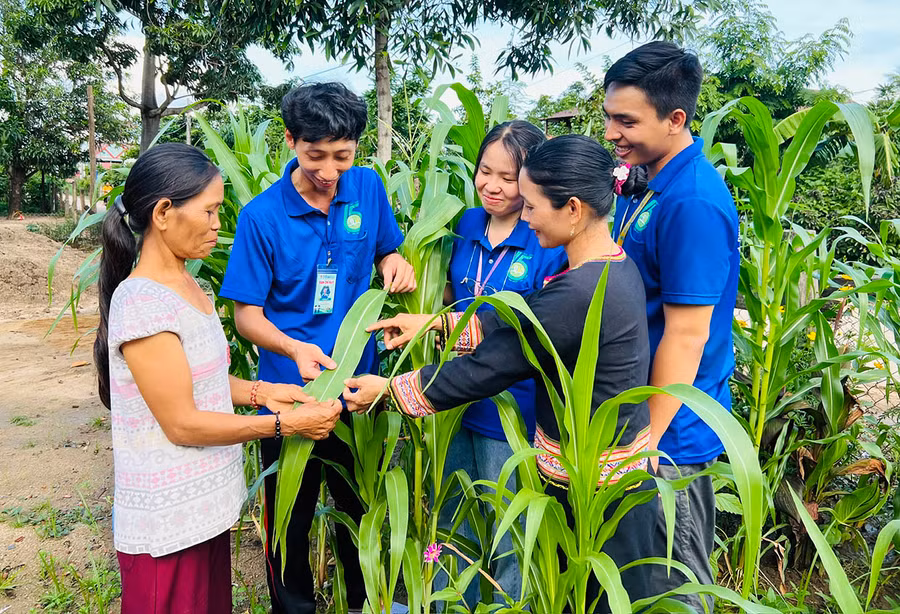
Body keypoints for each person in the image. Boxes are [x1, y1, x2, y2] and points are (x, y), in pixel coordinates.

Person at [343, 135, 656, 611]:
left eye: (530, 206)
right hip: (610, 477)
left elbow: (493, 365)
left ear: (572, 209)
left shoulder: (578, 293)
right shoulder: (609, 267)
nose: (524, 217)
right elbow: (521, 315)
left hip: (592, 492)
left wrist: (389, 390)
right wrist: (432, 322)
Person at [94, 143, 343, 614]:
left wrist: (262, 392)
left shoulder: (191, 285)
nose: (216, 225)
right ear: (164, 213)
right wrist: (282, 425)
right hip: (167, 522)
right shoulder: (143, 303)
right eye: (209, 212)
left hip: (204, 508)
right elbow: (183, 423)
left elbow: (199, 378)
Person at [218, 82, 416, 614]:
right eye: (315, 156)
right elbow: (246, 317)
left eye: (342, 156)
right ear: (290, 141)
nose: (330, 171)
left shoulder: (368, 188)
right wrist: (294, 346)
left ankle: (360, 603)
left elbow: (386, 249)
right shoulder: (262, 217)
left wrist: (393, 261)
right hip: (287, 395)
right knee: (290, 519)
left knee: (358, 507)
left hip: (358, 392)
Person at [603, 41, 740, 611]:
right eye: (608, 116)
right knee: (630, 586)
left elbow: (687, 334)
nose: (612, 132)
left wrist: (648, 440)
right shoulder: (648, 181)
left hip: (669, 443)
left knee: (669, 590)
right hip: (638, 423)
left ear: (676, 119)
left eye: (626, 121)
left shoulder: (692, 203)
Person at [431, 120, 565, 604]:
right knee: (450, 518)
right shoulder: (465, 224)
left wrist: (437, 324)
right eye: (485, 172)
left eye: (508, 178)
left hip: (512, 410)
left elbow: (535, 327)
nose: (492, 185)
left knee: (510, 525)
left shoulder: (544, 237)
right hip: (454, 400)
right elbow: (448, 292)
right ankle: (450, 600)